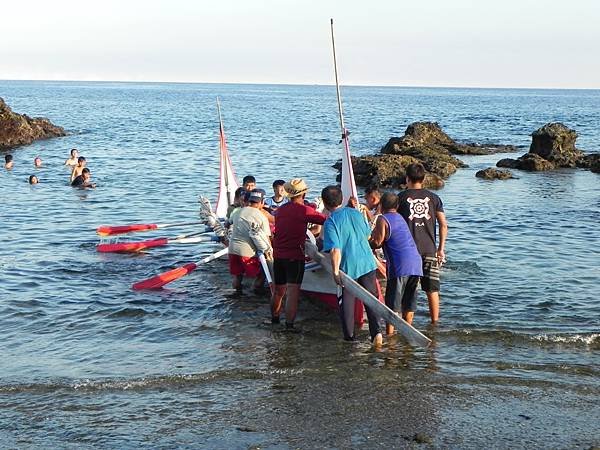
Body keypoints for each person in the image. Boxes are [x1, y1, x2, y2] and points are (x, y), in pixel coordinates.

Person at [321, 185, 383, 346]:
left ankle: (350, 339)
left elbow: (335, 250)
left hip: (348, 267)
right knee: (371, 299)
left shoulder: (331, 222)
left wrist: (335, 272)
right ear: (341, 199)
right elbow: (367, 234)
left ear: (325, 203)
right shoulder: (356, 213)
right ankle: (377, 333)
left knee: (347, 303)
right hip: (367, 262)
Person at [271, 179, 326, 328]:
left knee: (279, 291)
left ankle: (274, 320)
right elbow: (326, 220)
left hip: (278, 255)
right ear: (304, 193)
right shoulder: (304, 210)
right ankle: (289, 326)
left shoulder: (280, 210)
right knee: (293, 293)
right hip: (294, 256)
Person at [397, 163, 448, 324]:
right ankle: (434, 323)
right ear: (424, 178)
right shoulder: (434, 198)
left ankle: (408, 324)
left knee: (410, 289)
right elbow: (443, 224)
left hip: (409, 251)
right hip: (429, 249)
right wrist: (441, 249)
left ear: (407, 178)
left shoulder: (401, 198)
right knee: (432, 289)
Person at [369, 192, 423, 330]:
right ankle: (408, 333)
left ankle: (390, 339)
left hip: (400, 266)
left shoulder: (383, 219)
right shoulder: (400, 217)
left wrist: (365, 242)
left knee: (392, 307)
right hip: (416, 265)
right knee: (409, 303)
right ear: (397, 206)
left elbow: (378, 242)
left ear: (381, 205)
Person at [228, 189, 272, 294]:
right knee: (262, 273)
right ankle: (254, 293)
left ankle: (237, 295)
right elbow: (267, 239)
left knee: (237, 277)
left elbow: (227, 223)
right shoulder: (261, 216)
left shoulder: (238, 211)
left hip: (232, 249)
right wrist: (269, 256)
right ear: (261, 203)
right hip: (248, 253)